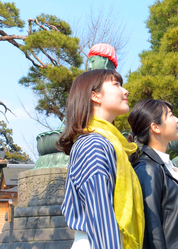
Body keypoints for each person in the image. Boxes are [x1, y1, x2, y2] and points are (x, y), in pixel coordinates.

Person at [58, 69, 144, 249]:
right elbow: (100, 215)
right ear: (95, 96)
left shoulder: (109, 143)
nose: (125, 91)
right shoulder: (93, 144)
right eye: (116, 84)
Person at [129, 99, 178, 249]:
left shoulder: (170, 168)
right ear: (155, 127)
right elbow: (152, 231)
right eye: (170, 115)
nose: (177, 119)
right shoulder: (147, 169)